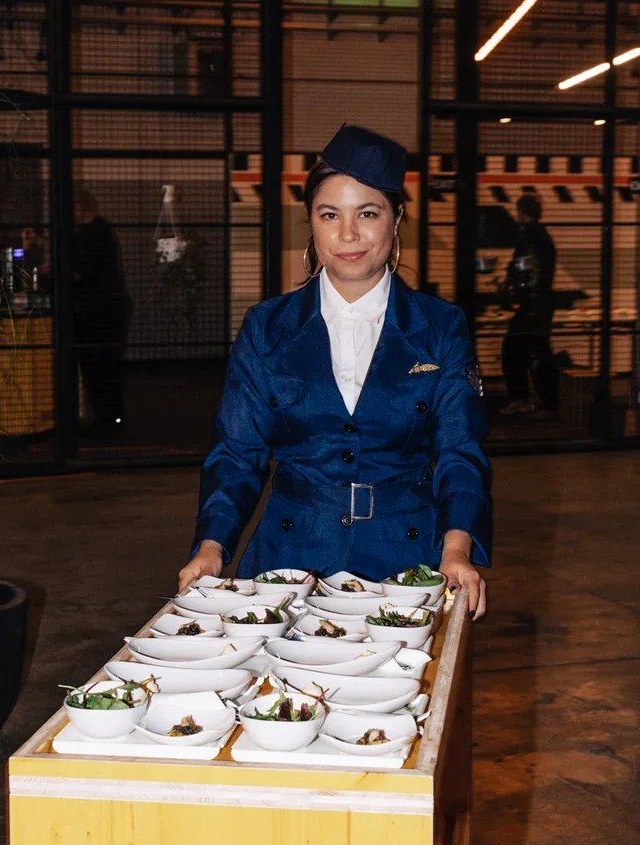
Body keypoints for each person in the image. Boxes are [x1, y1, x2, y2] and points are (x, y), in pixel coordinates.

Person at [179, 124, 490, 618]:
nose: (348, 234)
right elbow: (238, 453)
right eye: (330, 215)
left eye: (368, 213)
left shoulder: (441, 328)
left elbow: (459, 450)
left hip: (408, 563)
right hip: (289, 562)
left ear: (396, 219)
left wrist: (457, 548)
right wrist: (212, 544)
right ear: (312, 224)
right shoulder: (267, 327)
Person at [72, 187, 130, 439]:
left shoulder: (91, 234)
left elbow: (84, 274)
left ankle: (109, 420)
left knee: (99, 367)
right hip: (106, 308)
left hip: (98, 312)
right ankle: (110, 418)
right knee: (104, 366)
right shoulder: (101, 232)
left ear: (78, 208)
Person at [499, 192, 557, 417]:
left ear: (522, 212)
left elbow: (526, 267)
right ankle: (544, 401)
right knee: (537, 350)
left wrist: (514, 284)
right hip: (540, 303)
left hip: (533, 304)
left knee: (514, 350)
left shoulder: (529, 235)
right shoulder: (541, 235)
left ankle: (525, 399)